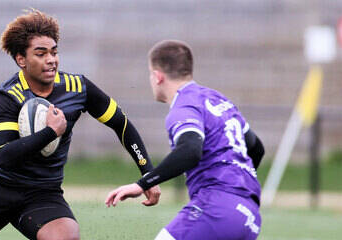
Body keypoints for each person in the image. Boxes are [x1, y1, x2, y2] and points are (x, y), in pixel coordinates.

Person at [0, 9, 161, 240]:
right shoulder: (8, 95)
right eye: (41, 53)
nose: (51, 59)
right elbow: (5, 156)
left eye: (54, 52)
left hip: (42, 192)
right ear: (21, 60)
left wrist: (148, 173)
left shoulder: (78, 88)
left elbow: (122, 124)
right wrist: (50, 132)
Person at [104, 40, 265, 240]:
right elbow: (256, 148)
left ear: (157, 76)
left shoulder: (184, 107)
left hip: (216, 209)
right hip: (248, 214)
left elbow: (190, 150)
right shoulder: (218, 99)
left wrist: (141, 184)